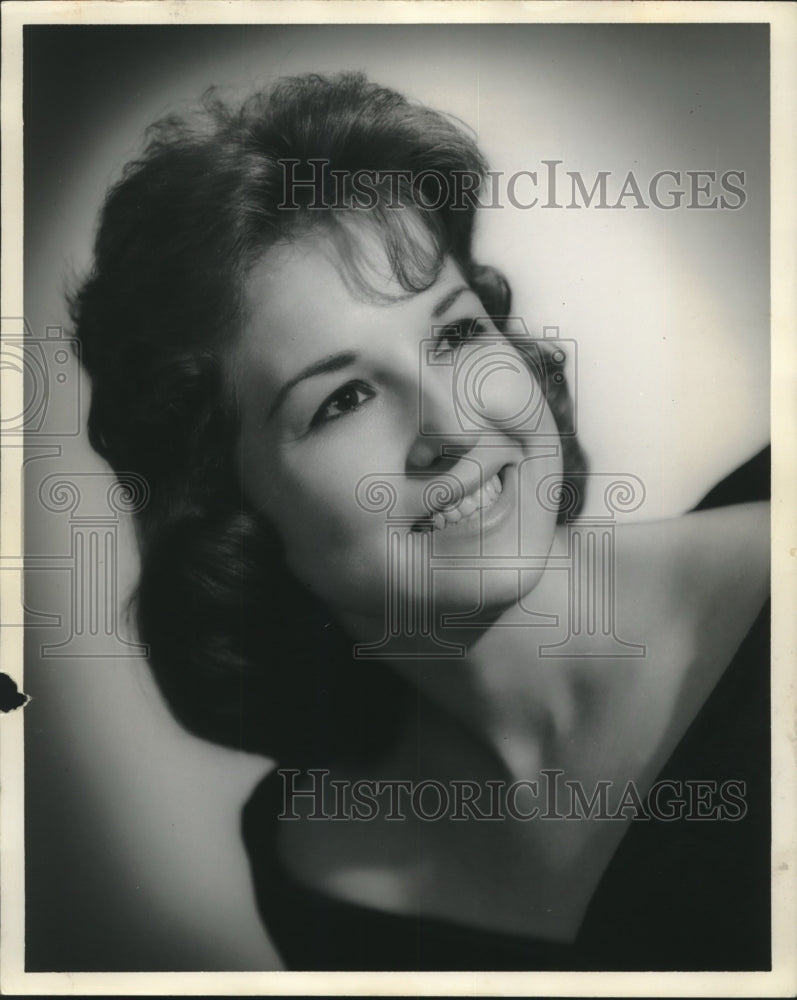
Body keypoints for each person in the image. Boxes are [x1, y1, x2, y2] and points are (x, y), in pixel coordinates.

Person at [70, 72, 770, 970]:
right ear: (230, 512)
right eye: (345, 398)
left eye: (454, 335)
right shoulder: (313, 863)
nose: (451, 425)